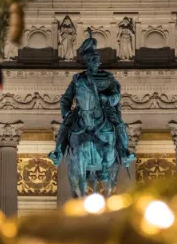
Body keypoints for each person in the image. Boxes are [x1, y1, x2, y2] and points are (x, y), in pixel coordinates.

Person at [48, 29, 135, 197]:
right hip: (81, 111)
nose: (95, 63)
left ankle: (124, 152)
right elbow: (66, 99)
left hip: (105, 110)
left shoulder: (107, 78)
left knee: (119, 125)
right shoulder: (78, 80)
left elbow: (116, 95)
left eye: (96, 60)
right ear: (87, 62)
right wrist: (67, 114)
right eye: (92, 60)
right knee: (65, 126)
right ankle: (58, 152)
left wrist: (107, 100)